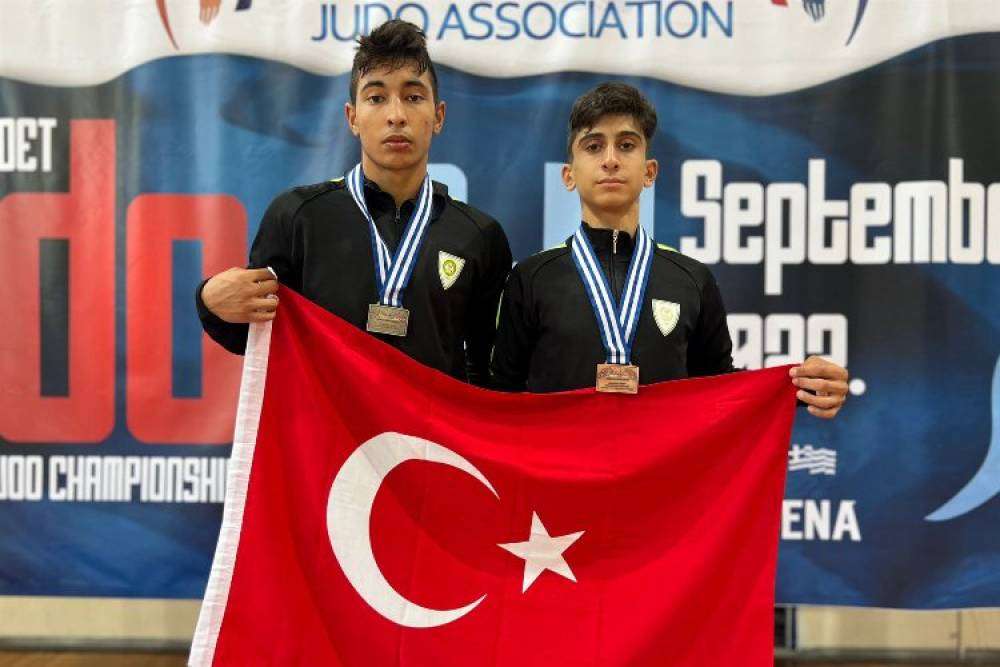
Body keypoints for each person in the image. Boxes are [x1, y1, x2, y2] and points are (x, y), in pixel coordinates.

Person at [491, 82, 848, 417]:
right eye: (594, 146)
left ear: (650, 172)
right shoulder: (532, 278)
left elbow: (721, 389)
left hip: (663, 467)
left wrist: (799, 388)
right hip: (565, 464)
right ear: (568, 175)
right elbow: (502, 399)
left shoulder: (691, 279)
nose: (611, 159)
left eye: (626, 145)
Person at [196, 20, 512, 386]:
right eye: (376, 98)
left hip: (427, 426)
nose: (396, 115)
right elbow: (251, 337)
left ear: (438, 116)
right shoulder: (299, 216)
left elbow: (487, 370)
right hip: (328, 425)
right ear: (353, 118)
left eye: (413, 97)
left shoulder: (478, 235)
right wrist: (208, 302)